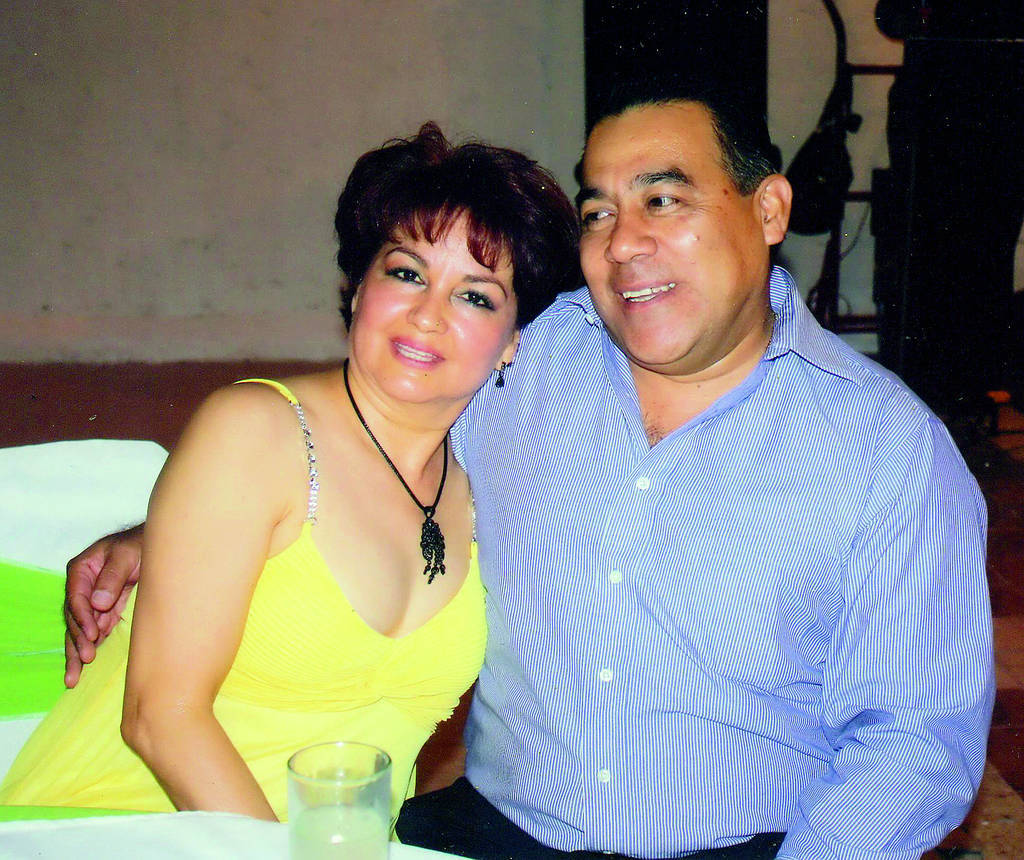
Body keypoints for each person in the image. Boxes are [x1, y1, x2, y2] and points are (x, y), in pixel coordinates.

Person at [61, 77, 994, 860]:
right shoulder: (525, 360)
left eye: (663, 200)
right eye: (600, 212)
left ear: (770, 208)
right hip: (493, 830)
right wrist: (177, 535)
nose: (624, 242)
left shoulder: (889, 451)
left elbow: (916, 745)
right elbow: (362, 442)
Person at [0, 122, 580, 822]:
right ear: (359, 288)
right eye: (406, 273)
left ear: (513, 340)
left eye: (475, 295)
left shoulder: (490, 480)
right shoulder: (258, 431)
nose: (428, 315)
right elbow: (162, 717)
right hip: (125, 829)